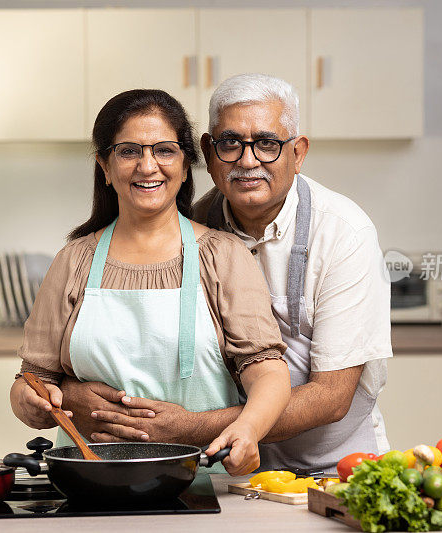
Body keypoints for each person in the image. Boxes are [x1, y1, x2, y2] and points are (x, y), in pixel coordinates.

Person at [61, 75, 392, 473]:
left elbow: (332, 397)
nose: (248, 160)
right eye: (230, 143)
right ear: (207, 151)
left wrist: (193, 428)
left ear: (298, 152)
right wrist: (69, 395)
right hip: (221, 471)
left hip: (332, 464)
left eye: (268, 143)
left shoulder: (343, 233)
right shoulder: (191, 229)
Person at [9, 89, 291, 475]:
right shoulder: (73, 261)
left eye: (164, 150)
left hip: (201, 482)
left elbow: (268, 370)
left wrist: (247, 428)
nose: (147, 166)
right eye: (128, 151)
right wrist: (32, 404)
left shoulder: (223, 256)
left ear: (186, 164)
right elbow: (32, 379)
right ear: (105, 167)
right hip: (91, 482)